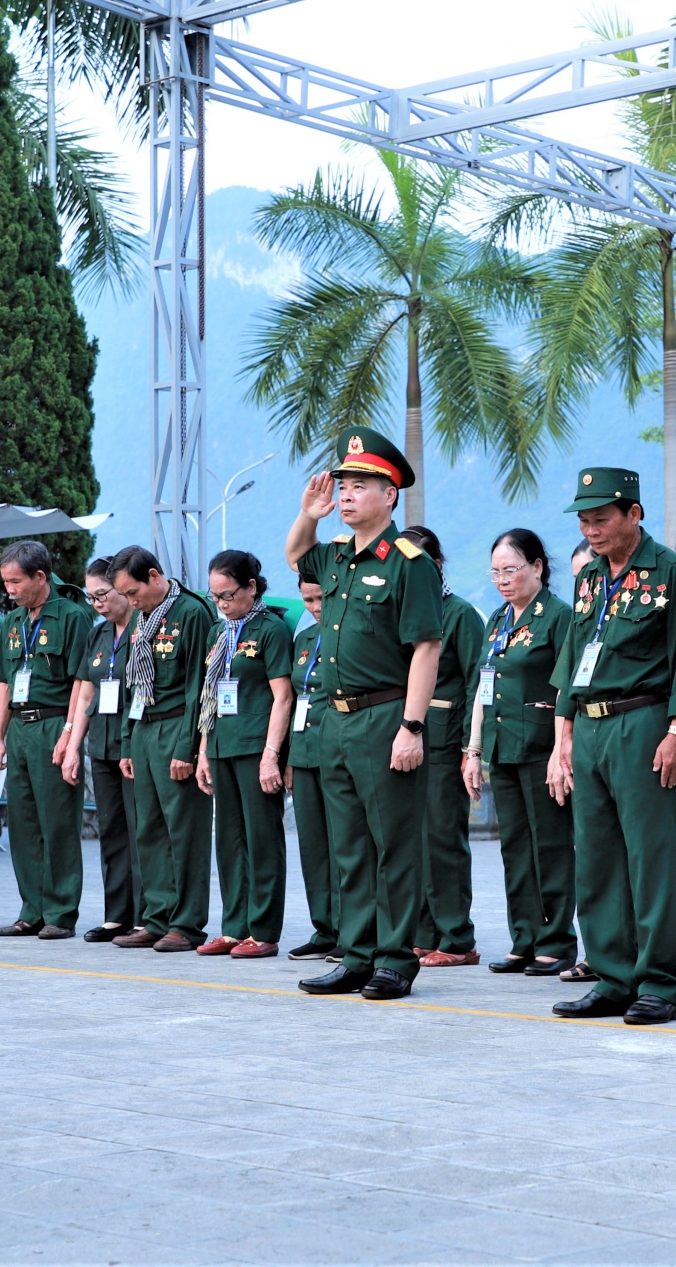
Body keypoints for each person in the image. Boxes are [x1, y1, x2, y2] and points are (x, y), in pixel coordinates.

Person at [284, 427, 443, 1000]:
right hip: (335, 717)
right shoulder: (333, 559)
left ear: (390, 495)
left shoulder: (408, 562)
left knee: (393, 844)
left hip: (384, 716)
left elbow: (426, 647)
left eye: (361, 484)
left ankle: (396, 959)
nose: (347, 493)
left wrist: (412, 727)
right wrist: (310, 513)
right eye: (344, 484)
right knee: (347, 844)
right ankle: (355, 954)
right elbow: (295, 555)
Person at [547, 466, 676, 1025]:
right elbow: (572, 657)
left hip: (643, 723)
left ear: (633, 514)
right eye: (585, 521)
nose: (591, 530)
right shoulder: (588, 576)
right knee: (595, 859)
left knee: (651, 858)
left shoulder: (673, 574)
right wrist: (561, 737)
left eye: (601, 519)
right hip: (588, 728)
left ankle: (660, 981)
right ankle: (612, 977)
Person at [465, 529, 576, 977]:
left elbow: (568, 687)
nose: (503, 580)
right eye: (496, 572)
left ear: (537, 567)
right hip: (501, 746)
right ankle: (524, 937)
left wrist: (561, 750)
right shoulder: (496, 621)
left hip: (541, 749)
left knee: (550, 845)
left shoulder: (559, 617)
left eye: (511, 570)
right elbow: (481, 687)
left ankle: (557, 941)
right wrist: (472, 750)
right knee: (515, 846)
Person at [108, 544, 218, 953]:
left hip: (176, 727)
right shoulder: (143, 617)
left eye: (133, 592)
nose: (131, 602)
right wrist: (126, 742)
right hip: (143, 729)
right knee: (149, 828)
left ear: (154, 575)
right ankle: (156, 917)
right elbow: (132, 685)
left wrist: (188, 747)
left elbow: (198, 686)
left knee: (184, 830)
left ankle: (187, 923)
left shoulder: (190, 612)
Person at [0, 541, 96, 940]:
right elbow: (3, 679)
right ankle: (30, 910)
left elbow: (80, 683)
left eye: (16, 581)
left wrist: (69, 734)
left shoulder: (71, 617)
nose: (10, 589)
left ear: (40, 577)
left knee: (58, 821)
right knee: (24, 823)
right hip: (20, 728)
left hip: (53, 725)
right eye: (5, 582)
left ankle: (60, 912)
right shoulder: (13, 621)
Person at [193, 550, 295, 959]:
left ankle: (264, 930)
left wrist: (272, 755)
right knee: (230, 841)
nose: (221, 604)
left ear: (251, 587)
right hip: (221, 744)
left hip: (255, 746)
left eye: (228, 595)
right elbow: (210, 698)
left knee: (262, 839)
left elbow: (283, 697)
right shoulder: (221, 633)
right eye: (215, 596)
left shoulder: (270, 629)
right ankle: (234, 927)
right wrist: (203, 750)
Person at [402, 525, 485, 968]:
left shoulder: (459, 614)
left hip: (444, 739)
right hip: (404, 740)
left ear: (435, 566)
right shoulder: (403, 612)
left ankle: (457, 938)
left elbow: (477, 683)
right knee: (412, 840)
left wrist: (471, 747)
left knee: (442, 839)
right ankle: (423, 931)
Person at [79, 560, 140, 942]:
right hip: (101, 742)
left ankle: (147, 915)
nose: (98, 603)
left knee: (140, 830)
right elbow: (86, 688)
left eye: (103, 594)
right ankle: (117, 914)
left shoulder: (145, 628)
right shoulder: (99, 634)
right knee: (112, 830)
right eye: (91, 597)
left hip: (133, 742)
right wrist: (73, 744)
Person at [284, 572, 343, 961]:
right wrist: (288, 757)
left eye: (321, 598)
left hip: (337, 748)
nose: (316, 607)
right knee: (313, 846)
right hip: (303, 752)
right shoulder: (303, 639)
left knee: (344, 845)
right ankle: (324, 926)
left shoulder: (347, 634)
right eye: (308, 600)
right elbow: (292, 698)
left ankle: (349, 928)